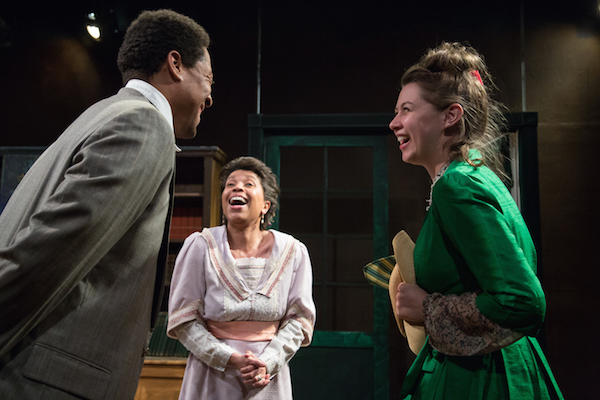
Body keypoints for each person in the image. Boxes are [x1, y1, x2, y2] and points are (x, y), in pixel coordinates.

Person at [0, 9, 213, 399]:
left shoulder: (98, 115)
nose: (210, 96)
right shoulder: (143, 126)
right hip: (51, 381)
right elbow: (47, 253)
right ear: (176, 64)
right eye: (208, 79)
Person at [388, 42, 564, 399]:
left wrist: (427, 307)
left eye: (406, 109)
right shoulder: (473, 177)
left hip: (483, 379)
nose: (394, 123)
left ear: (450, 116)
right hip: (491, 368)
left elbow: (523, 301)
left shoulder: (458, 185)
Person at [167, 156, 316, 399]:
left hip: (267, 376)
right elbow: (183, 319)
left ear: (265, 205)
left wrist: (267, 361)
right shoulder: (201, 246)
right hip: (212, 374)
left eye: (248, 184)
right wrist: (230, 359)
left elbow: (300, 320)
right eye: (230, 184)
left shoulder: (293, 251)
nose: (237, 188)